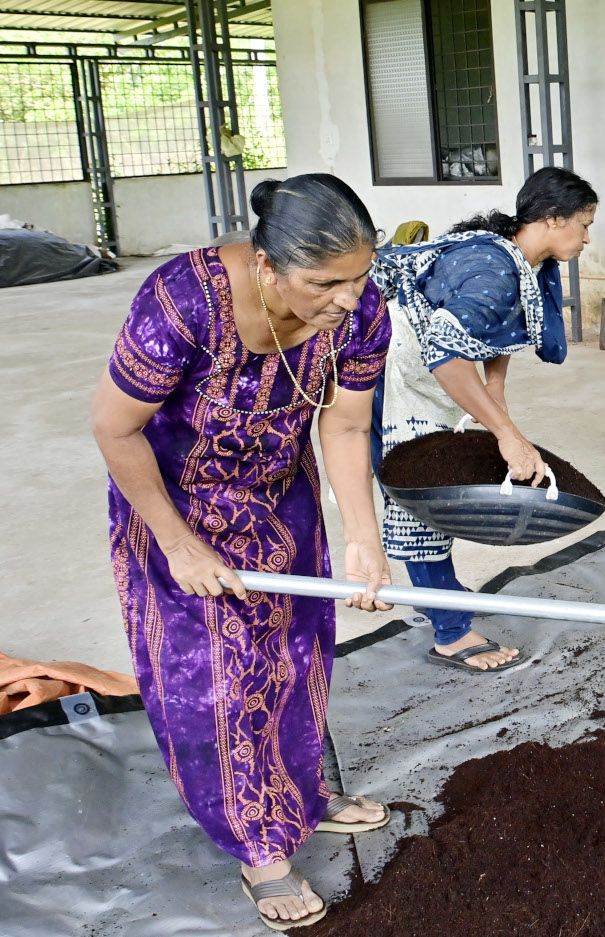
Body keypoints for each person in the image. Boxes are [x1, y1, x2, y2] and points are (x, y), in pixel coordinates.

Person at [91, 174, 396, 931]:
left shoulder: (359, 313)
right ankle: (258, 844)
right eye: (325, 283)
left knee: (296, 652)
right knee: (221, 678)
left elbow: (348, 427)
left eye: (359, 277)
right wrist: (177, 542)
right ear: (267, 267)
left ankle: (303, 796)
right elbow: (113, 429)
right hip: (177, 504)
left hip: (279, 497)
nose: (347, 299)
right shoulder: (182, 302)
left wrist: (362, 535)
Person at [370, 167, 597, 672]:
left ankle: (439, 600)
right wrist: (506, 435)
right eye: (583, 224)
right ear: (552, 219)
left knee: (423, 478)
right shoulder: (492, 270)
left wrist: (497, 402)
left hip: (421, 358)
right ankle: (450, 631)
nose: (586, 237)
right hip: (387, 357)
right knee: (414, 492)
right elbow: (446, 354)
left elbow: (499, 333)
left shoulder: (524, 262)